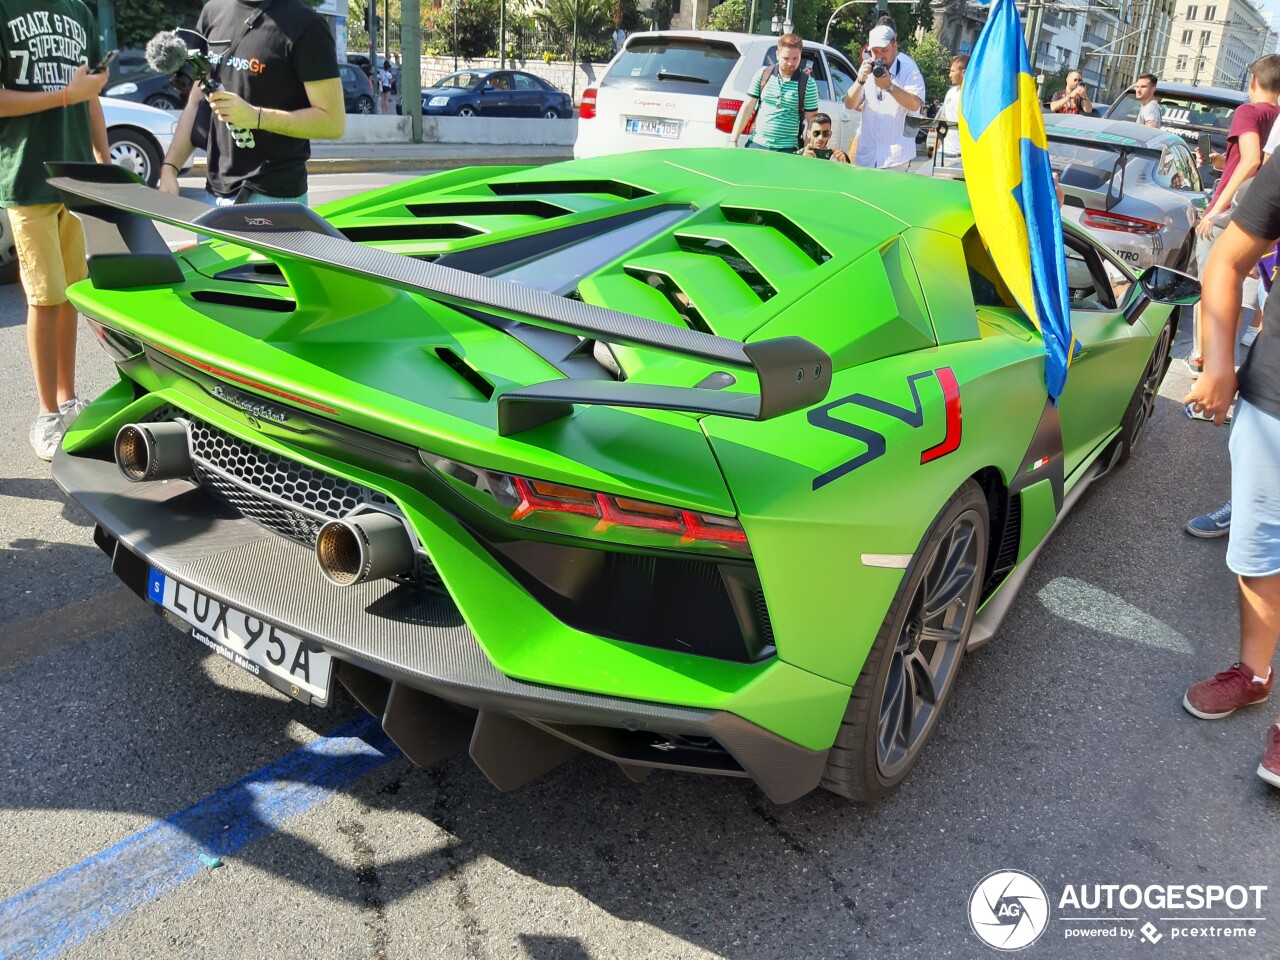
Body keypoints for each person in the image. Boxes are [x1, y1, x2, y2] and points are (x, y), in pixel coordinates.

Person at [1181, 146, 1280, 791]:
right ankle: (1254, 673)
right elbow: (1227, 261)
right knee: (1257, 551)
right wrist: (1218, 360)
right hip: (1273, 400)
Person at [0, 0, 111, 460]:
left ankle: (67, 400)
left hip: (75, 177)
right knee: (45, 299)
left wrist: (105, 161)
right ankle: (46, 414)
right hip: (28, 180)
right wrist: (67, 94)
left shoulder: (78, 11)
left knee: (72, 296)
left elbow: (90, 97)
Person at [158, 0, 345, 207]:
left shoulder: (307, 25)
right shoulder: (213, 11)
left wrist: (255, 117)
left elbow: (332, 122)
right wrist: (170, 167)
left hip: (272, 198)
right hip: (213, 194)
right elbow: (195, 101)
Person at [1185, 55, 1280, 380]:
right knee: (1237, 285)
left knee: (1208, 286)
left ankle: (1203, 361)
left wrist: (1216, 209)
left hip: (1232, 211)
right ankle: (1219, 362)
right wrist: (1224, 161)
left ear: (1253, 81)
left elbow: (1252, 160)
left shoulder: (1248, 111)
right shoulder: (1277, 118)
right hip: (1259, 215)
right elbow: (1260, 166)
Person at [845, 19, 926, 171]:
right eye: (875, 51)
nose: (880, 56)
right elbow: (849, 104)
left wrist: (889, 87)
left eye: (884, 50)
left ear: (894, 46)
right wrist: (860, 80)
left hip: (896, 157)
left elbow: (915, 103)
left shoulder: (908, 68)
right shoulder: (868, 67)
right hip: (867, 154)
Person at [729, 33, 818, 153]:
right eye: (786, 58)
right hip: (757, 144)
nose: (790, 63)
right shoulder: (762, 75)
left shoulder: (807, 84)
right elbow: (747, 107)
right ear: (777, 55)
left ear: (800, 56)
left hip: (787, 149)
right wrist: (733, 140)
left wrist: (806, 151)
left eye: (795, 58)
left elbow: (812, 121)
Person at [935, 54, 968, 168]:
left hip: (963, 157)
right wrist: (936, 147)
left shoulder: (973, 96)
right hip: (943, 153)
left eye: (953, 71)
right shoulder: (950, 93)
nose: (949, 75)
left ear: (963, 73)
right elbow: (943, 120)